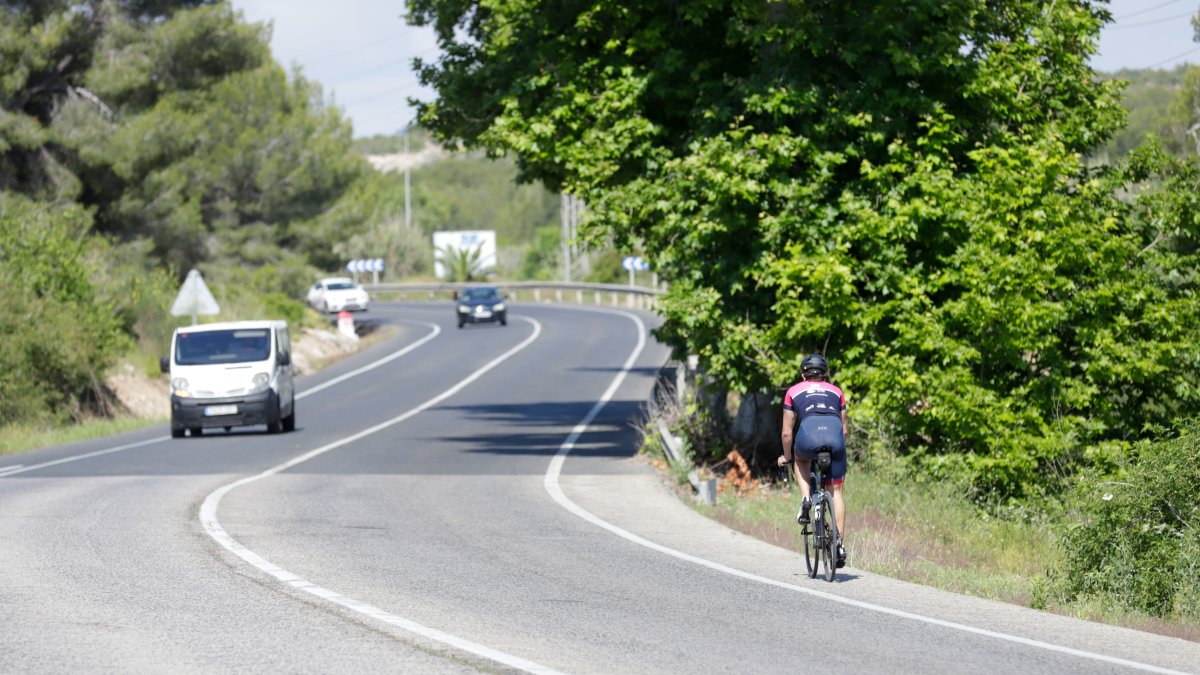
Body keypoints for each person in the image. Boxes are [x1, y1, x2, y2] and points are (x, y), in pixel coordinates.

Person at [777, 353, 849, 567]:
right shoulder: (837, 392)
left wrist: (787, 457)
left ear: (802, 374)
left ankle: (807, 498)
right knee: (836, 492)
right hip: (835, 437)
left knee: (801, 459)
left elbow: (787, 434)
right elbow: (844, 431)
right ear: (826, 375)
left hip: (808, 437)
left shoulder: (793, 392)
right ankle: (839, 545)